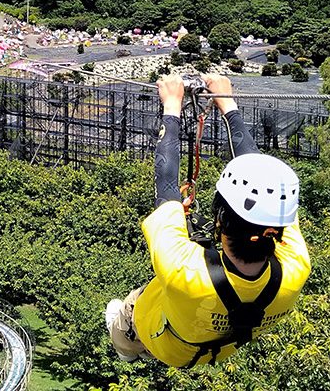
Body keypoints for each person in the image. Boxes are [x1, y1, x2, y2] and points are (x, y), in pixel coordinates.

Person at [105, 73, 311, 367]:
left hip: (158, 336)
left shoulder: (182, 269)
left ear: (220, 218)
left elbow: (165, 184)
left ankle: (126, 345)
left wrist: (173, 108)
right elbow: (264, 186)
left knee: (127, 309)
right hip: (216, 347)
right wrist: (227, 105)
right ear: (278, 225)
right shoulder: (295, 267)